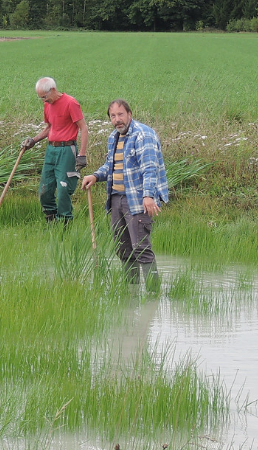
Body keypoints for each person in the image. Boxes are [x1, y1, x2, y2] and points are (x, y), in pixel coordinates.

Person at [81, 99, 168, 290]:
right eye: (113, 116)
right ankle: (132, 291)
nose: (117, 119)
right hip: (116, 199)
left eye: (120, 114)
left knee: (141, 248)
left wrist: (148, 196)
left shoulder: (143, 134)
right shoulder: (114, 137)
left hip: (137, 201)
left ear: (129, 114)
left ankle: (153, 294)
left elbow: (149, 168)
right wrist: (95, 176)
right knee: (123, 249)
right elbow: (111, 166)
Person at [21, 77, 89, 224]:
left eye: (44, 97)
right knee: (44, 190)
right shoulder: (47, 105)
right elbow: (49, 127)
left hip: (66, 150)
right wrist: (33, 140)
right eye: (40, 98)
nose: (44, 101)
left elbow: (83, 128)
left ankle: (65, 222)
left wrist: (82, 154)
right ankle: (51, 220)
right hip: (51, 150)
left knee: (63, 189)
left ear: (52, 90)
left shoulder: (71, 103)